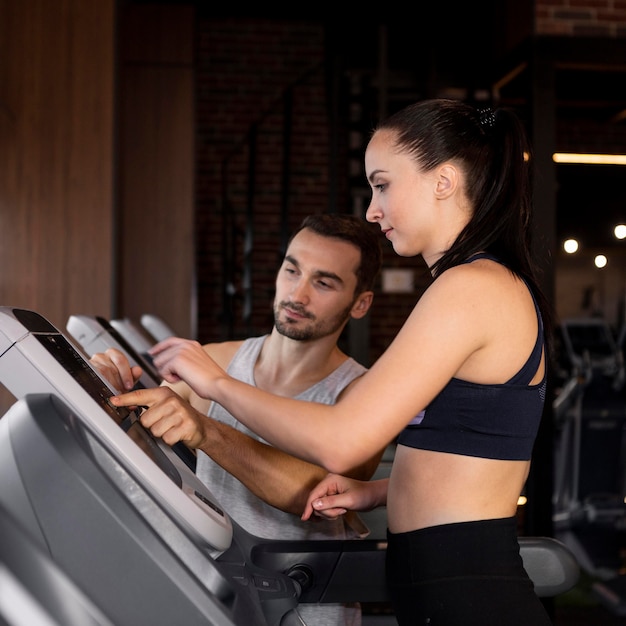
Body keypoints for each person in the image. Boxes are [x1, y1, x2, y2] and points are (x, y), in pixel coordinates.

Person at [111, 98, 554, 625]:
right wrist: (378, 491)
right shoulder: (482, 284)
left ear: (443, 181)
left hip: (469, 590)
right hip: (449, 580)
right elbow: (484, 453)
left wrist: (216, 384)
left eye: (383, 184)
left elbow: (343, 439)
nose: (372, 209)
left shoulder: (471, 286)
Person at [92, 213, 385, 626]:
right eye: (291, 269)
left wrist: (206, 429)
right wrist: (105, 390)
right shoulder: (214, 360)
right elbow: (137, 443)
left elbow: (319, 496)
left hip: (305, 610)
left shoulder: (364, 396)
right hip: (214, 597)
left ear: (360, 303)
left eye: (323, 282)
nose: (297, 293)